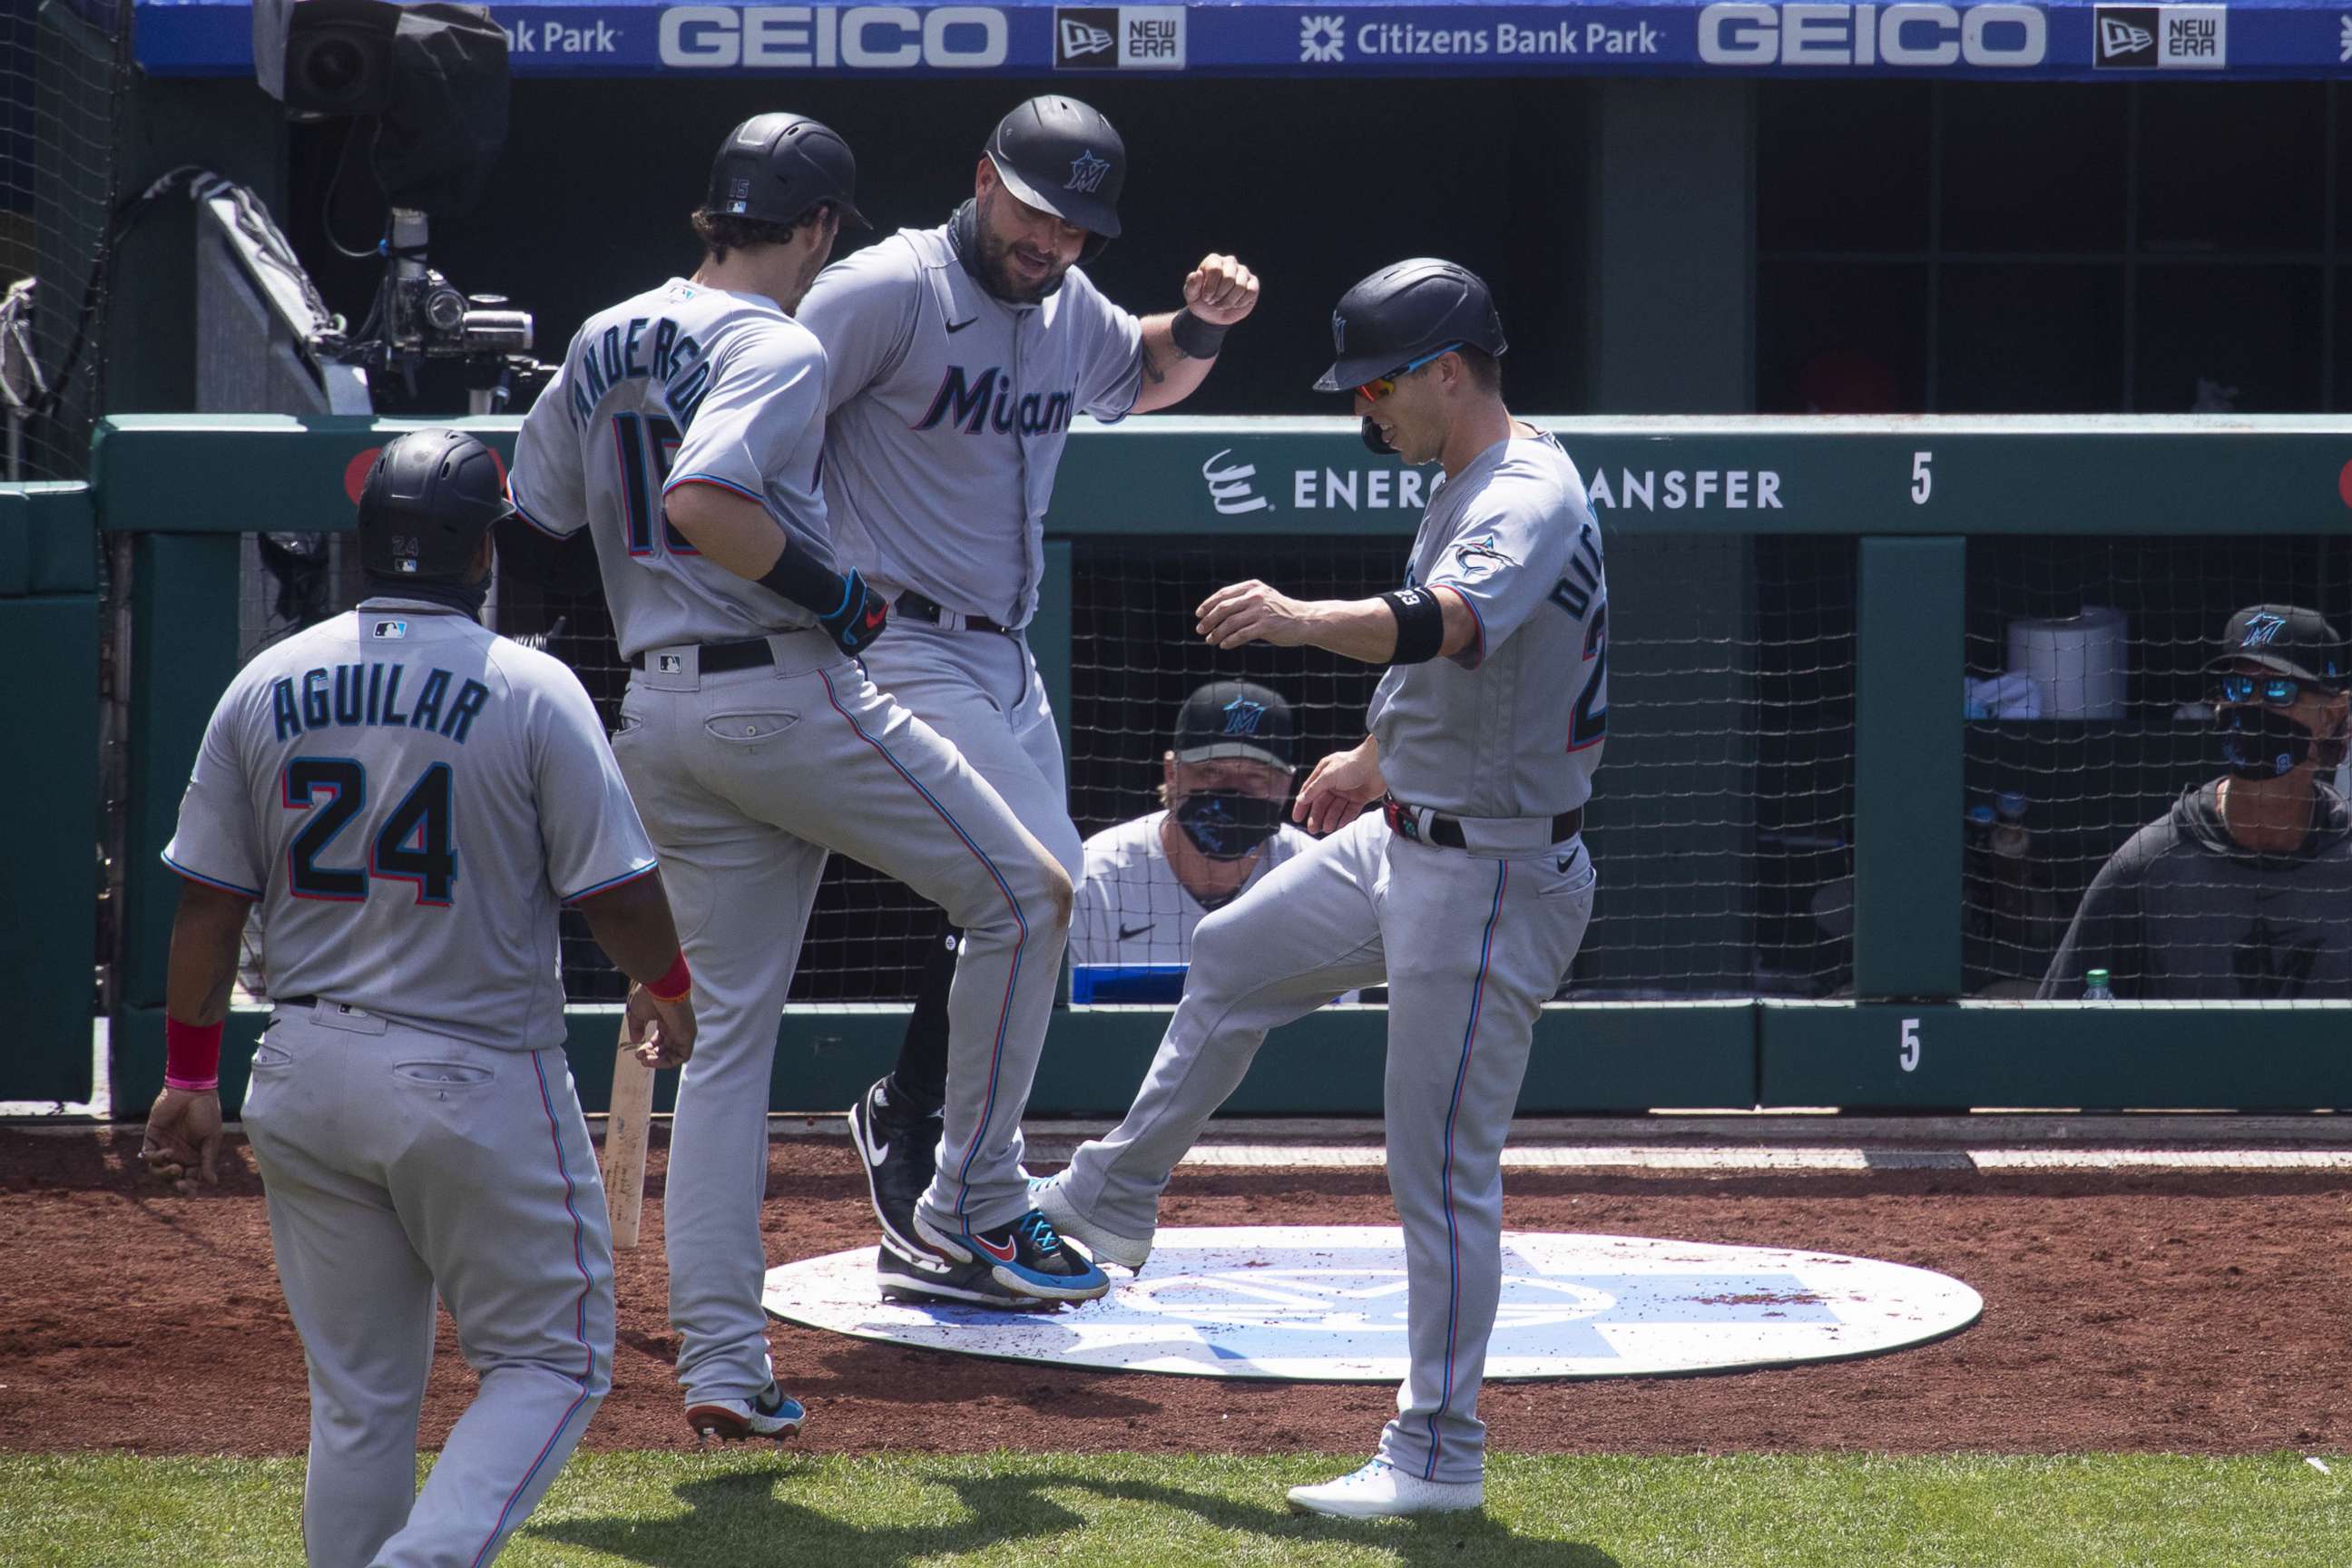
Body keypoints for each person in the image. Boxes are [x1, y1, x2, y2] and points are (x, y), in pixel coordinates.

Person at [507, 113, 1102, 1426]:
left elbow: (537, 512)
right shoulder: (773, 340)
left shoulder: (603, 331)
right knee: (1028, 895)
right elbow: (703, 503)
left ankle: (725, 1369)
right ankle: (976, 1200)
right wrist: (842, 595)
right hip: (783, 693)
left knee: (718, 1052)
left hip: (657, 707)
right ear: (822, 226)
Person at [1034, 260, 1606, 1518]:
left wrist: (1295, 620)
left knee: (1441, 1170)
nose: (1364, 410)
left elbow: (1448, 624)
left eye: (1379, 384)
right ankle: (1112, 1199)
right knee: (1233, 956)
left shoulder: (1523, 489)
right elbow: (1478, 674)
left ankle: (1438, 1454)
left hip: (1494, 871)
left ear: (1448, 370)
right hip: (1416, 832)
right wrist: (1371, 757)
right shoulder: (1475, 470)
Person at [136, 428, 696, 1568]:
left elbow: (207, 906)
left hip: (299, 1073)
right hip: (472, 1072)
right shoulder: (531, 688)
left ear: (367, 542)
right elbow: (620, 892)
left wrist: (189, 1075)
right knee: (553, 1361)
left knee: (360, 1400)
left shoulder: (267, 679)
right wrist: (669, 982)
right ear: (482, 551)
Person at [793, 95, 1260, 1306]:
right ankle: (972, 1199)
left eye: (1079, 228)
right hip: (892, 637)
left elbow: (1139, 377)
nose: (1054, 243)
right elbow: (751, 425)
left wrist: (1199, 330)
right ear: (986, 177)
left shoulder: (1065, 308)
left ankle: (912, 1115)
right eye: (1040, 213)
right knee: (1032, 893)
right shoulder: (880, 290)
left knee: (1017, 908)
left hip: (1003, 653)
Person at [2040, 604, 2351, 999]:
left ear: (2331, 715)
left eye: (2278, 690)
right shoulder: (2146, 867)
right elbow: (2057, 1025)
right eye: (2238, 688)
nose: (2252, 708)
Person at [1069, 680, 1314, 977]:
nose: (1233, 789)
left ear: (1286, 784)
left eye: (1256, 775)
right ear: (1172, 773)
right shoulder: (1094, 878)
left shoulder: (1312, 876)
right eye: (1212, 770)